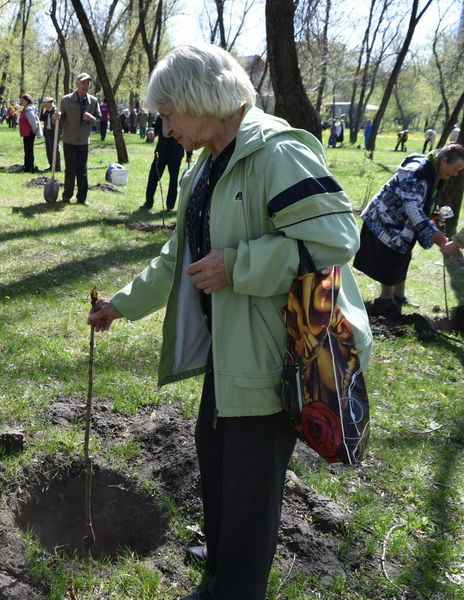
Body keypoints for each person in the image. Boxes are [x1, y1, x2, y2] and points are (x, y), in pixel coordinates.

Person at [87, 43, 372, 600]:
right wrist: (120, 305)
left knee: (250, 485)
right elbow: (179, 257)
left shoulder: (276, 152)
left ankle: (236, 588)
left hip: (272, 358)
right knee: (216, 462)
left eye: (169, 114)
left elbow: (338, 241)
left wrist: (240, 265)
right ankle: (220, 562)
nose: (164, 128)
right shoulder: (206, 166)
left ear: (201, 98)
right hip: (229, 351)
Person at [353, 144, 464, 307]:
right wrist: (432, 232)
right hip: (384, 219)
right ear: (444, 160)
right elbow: (411, 207)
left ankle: (399, 296)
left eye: (459, 171)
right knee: (391, 258)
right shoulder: (417, 171)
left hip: (402, 223)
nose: (455, 174)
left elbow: (419, 200)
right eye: (454, 169)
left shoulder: (433, 169)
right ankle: (386, 300)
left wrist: (431, 212)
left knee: (403, 257)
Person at [54, 72, 101, 205]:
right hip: (69, 140)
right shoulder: (66, 100)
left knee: (82, 171)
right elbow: (59, 120)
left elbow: (98, 120)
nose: (85, 86)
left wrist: (90, 118)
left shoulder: (93, 101)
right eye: (83, 83)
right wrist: (55, 117)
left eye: (88, 83)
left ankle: (82, 198)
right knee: (70, 170)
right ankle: (67, 196)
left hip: (83, 142)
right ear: (77, 84)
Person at [142, 113, 190, 211]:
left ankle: (170, 206)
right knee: (153, 177)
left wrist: (189, 154)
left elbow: (188, 135)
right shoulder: (163, 114)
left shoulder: (183, 116)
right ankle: (148, 202)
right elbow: (155, 127)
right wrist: (152, 131)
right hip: (161, 153)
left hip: (176, 154)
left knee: (173, 180)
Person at [18, 93, 41, 173]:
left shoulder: (29, 110)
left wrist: (34, 130)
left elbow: (33, 122)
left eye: (23, 100)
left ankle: (29, 167)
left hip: (29, 133)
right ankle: (27, 166)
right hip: (27, 133)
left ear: (27, 100)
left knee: (29, 150)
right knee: (27, 150)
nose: (22, 102)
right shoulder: (27, 108)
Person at [40, 97, 61, 172]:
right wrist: (41, 109)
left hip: (54, 132)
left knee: (54, 149)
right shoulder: (47, 111)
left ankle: (57, 167)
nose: (44, 104)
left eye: (46, 103)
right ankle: (51, 165)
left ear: (50, 103)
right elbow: (41, 118)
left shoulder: (55, 111)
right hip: (47, 131)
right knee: (48, 149)